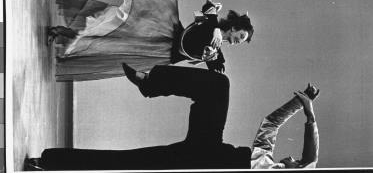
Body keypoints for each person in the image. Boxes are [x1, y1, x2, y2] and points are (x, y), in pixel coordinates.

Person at [24, 65, 319, 170]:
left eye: (295, 163)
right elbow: (271, 122)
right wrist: (300, 103)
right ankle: (151, 83)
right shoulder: (266, 158)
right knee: (218, 86)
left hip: (195, 167)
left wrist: (310, 118)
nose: (292, 159)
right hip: (207, 150)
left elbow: (310, 160)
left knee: (126, 163)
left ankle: (47, 162)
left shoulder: (287, 170)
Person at [49, 0, 253, 81]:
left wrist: (214, 57)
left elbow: (216, 68)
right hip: (164, 33)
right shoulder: (213, 22)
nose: (237, 42)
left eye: (241, 41)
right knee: (115, 27)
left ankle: (61, 35)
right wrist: (215, 27)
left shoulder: (217, 53)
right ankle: (62, 32)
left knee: (112, 46)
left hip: (161, 55)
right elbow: (206, 9)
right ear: (234, 27)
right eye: (241, 36)